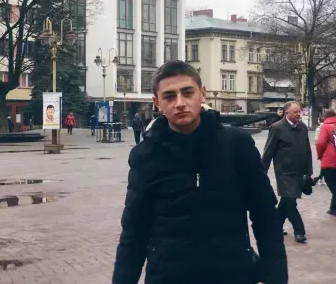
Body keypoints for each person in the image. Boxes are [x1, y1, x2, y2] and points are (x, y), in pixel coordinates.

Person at [112, 60, 288, 284]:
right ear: (157, 103)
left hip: (232, 274)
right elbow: (133, 235)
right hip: (168, 276)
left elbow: (265, 216)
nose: (180, 103)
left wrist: (276, 277)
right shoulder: (145, 155)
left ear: (202, 94)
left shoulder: (236, 145)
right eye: (169, 96)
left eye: (187, 93)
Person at [262, 101, 313, 244]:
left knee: (286, 201)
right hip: (284, 172)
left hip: (299, 172)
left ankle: (274, 226)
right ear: (287, 113)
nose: (299, 114)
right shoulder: (276, 128)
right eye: (296, 112)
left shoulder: (302, 127)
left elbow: (307, 150)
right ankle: (299, 231)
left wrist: (309, 171)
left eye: (299, 112)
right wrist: (261, 173)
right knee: (290, 201)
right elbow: (268, 153)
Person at [313, 117, 326, 185]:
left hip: (321, 148)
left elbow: (316, 139)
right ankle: (320, 179)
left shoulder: (319, 128)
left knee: (324, 165)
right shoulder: (328, 127)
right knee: (325, 165)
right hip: (327, 149)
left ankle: (319, 179)